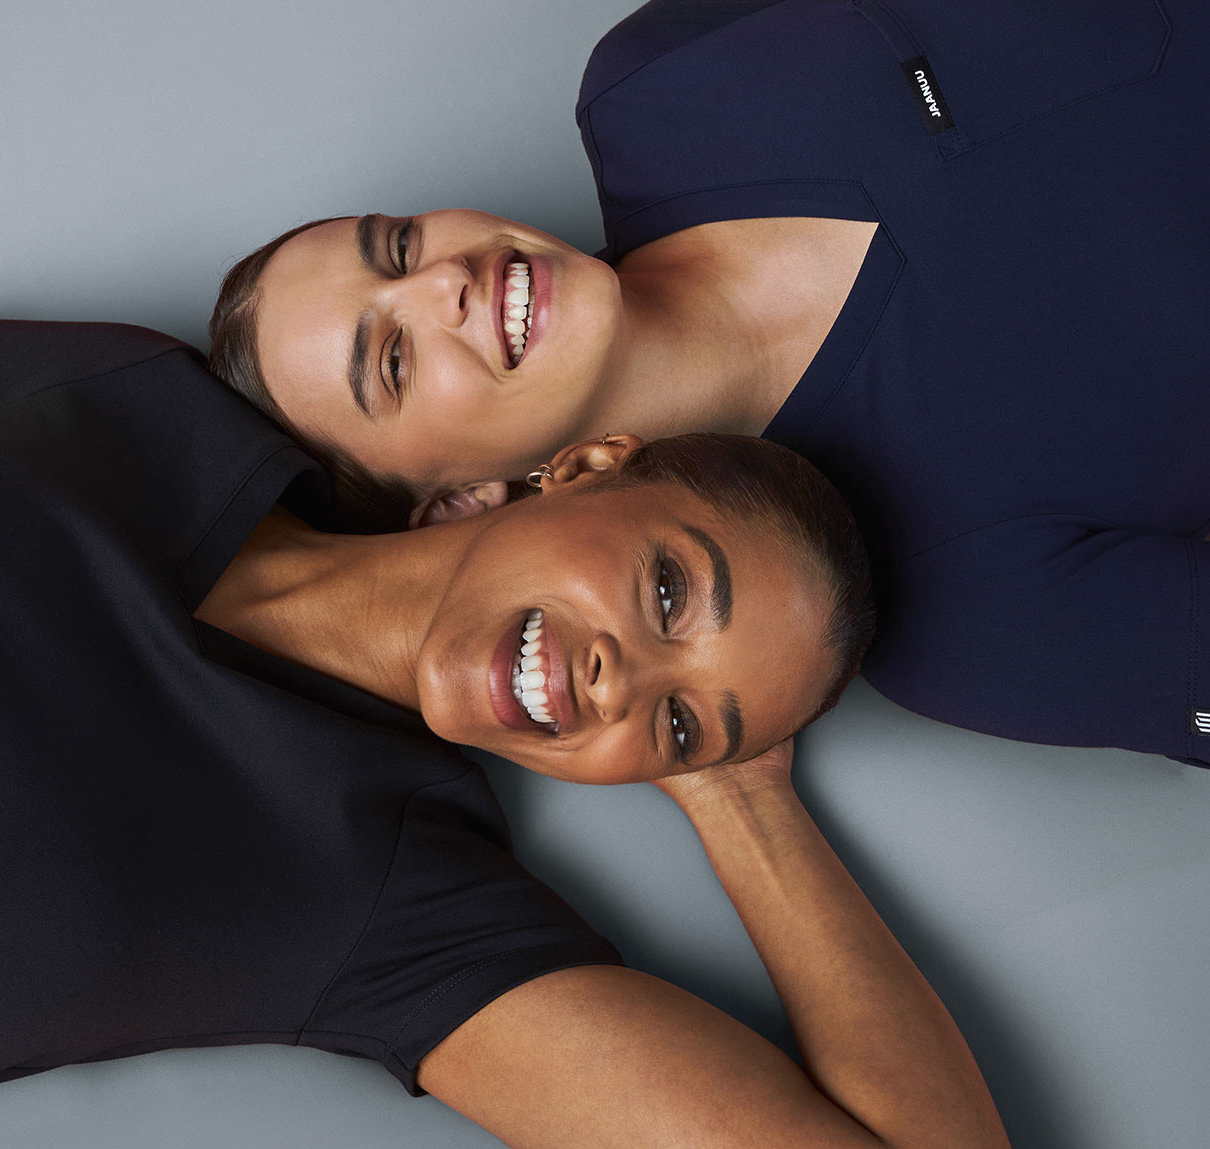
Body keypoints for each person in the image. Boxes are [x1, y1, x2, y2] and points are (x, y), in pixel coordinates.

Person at [0, 313, 1047, 1149]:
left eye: (682, 721)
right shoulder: (141, 402)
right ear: (585, 466)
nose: (618, 680)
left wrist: (740, 789)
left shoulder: (398, 907)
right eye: (668, 592)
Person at [208, 0, 1210, 767]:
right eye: (392, 360)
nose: (443, 283)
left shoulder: (656, 84)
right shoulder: (957, 622)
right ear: (462, 500)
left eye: (397, 244)